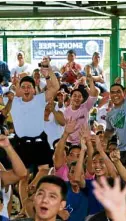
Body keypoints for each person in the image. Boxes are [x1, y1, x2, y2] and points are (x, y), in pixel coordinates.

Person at [2, 67, 58, 217]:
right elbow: (4, 105)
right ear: (19, 89)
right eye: (23, 87)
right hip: (21, 144)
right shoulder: (12, 100)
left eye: (29, 87)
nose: (26, 89)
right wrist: (10, 88)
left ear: (34, 89)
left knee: (45, 169)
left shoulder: (40, 99)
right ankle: (24, 210)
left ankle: (33, 187)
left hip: (40, 140)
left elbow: (55, 87)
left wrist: (48, 71)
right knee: (22, 176)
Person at [63, 65, 98, 145]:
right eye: (74, 96)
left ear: (82, 99)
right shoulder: (66, 111)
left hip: (85, 141)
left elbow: (93, 94)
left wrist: (87, 83)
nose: (77, 98)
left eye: (79, 96)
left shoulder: (85, 107)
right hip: (71, 143)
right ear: (70, 98)